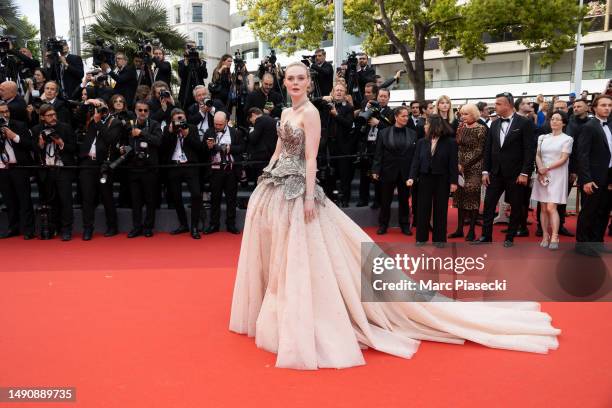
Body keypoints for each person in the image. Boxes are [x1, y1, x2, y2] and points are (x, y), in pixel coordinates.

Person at [229, 61, 560, 370]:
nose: (296, 83)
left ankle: (313, 311)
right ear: (284, 82)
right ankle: (283, 308)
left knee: (309, 251)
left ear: (309, 82)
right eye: (291, 78)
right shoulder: (285, 111)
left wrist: (308, 197)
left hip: (300, 187)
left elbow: (312, 158)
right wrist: (268, 172)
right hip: (277, 185)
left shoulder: (312, 113)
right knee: (283, 252)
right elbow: (279, 149)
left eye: (301, 78)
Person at [475, 92, 535, 248]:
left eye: (498, 104)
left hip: (516, 174)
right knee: (488, 204)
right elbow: (488, 148)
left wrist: (524, 173)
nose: (495, 106)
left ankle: (510, 237)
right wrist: (485, 171)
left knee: (515, 206)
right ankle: (485, 236)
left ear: (508, 105)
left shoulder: (524, 123)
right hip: (495, 173)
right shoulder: (494, 123)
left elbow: (530, 150)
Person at [407, 114, 458, 246]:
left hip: (442, 179)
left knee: (441, 209)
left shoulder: (450, 142)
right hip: (425, 178)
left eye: (427, 124)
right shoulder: (421, 142)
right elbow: (415, 161)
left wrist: (454, 181)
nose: (424, 126)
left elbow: (453, 163)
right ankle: (421, 238)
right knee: (422, 208)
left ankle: (439, 239)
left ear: (434, 126)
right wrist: (412, 177)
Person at [78, 99, 121, 240]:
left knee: (107, 196)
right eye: (97, 107)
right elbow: (75, 118)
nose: (99, 111)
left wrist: (98, 123)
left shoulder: (115, 122)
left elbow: (110, 139)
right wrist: (86, 104)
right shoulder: (89, 120)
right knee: (87, 198)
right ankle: (88, 229)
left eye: (101, 107)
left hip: (103, 164)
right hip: (87, 164)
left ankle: (112, 226)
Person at [32, 104, 76, 241]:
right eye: (49, 115)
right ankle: (52, 228)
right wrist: (40, 145)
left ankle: (66, 229)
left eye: (54, 114)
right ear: (42, 117)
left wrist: (61, 143)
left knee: (66, 200)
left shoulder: (65, 127)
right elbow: (33, 150)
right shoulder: (36, 129)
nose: (53, 117)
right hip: (46, 170)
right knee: (50, 201)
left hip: (62, 169)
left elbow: (74, 148)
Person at [530, 111, 573, 250]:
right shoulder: (542, 137)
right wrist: (541, 168)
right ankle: (545, 235)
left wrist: (546, 168)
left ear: (563, 122)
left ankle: (555, 235)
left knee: (551, 207)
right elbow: (537, 154)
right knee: (542, 207)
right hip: (542, 174)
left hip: (557, 174)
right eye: (552, 119)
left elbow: (563, 158)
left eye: (558, 119)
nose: (554, 121)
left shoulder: (567, 139)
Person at [575, 94, 612, 256]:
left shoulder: (610, 125)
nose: (607, 108)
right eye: (603, 105)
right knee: (589, 211)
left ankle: (597, 242)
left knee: (604, 211)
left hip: (609, 176)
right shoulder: (589, 127)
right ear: (595, 108)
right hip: (593, 177)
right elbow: (582, 155)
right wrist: (586, 179)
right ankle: (582, 244)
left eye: (610, 105)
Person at [372, 106, 417, 235]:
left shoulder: (412, 133)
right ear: (396, 117)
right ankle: (383, 225)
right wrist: (375, 170)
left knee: (404, 200)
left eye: (407, 116)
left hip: (405, 172)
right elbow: (378, 153)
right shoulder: (384, 133)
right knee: (385, 200)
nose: (406, 118)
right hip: (387, 170)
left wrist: (413, 173)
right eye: (403, 116)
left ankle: (404, 225)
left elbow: (414, 155)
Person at [162, 108, 203, 239]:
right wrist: (170, 133)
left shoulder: (192, 128)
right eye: (178, 118)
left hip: (190, 166)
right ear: (172, 119)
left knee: (196, 194)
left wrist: (187, 135)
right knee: (176, 197)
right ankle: (183, 224)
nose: (180, 120)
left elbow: (200, 148)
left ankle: (194, 227)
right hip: (174, 166)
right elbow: (163, 147)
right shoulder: (168, 130)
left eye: (182, 118)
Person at [449, 104, 487, 241]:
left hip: (475, 167)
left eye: (466, 114)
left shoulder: (481, 129)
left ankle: (471, 231)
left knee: (472, 197)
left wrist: (464, 165)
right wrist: (457, 164)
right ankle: (459, 229)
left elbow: (480, 151)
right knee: (459, 197)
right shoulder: (461, 127)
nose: (462, 117)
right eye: (462, 114)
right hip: (459, 166)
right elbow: (457, 146)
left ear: (474, 115)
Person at [125, 100, 162, 238]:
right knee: (135, 201)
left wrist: (141, 133)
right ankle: (136, 227)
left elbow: (158, 141)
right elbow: (123, 141)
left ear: (149, 112)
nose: (142, 113)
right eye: (140, 110)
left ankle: (148, 227)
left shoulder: (154, 124)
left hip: (149, 168)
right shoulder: (129, 124)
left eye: (145, 110)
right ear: (135, 111)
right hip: (133, 168)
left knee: (150, 200)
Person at [203, 111, 244, 234]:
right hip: (215, 170)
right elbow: (202, 150)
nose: (218, 127)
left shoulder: (235, 133)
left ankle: (231, 224)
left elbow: (242, 148)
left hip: (231, 170)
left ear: (226, 122)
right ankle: (213, 224)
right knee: (215, 198)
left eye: (220, 124)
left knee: (231, 199)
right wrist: (208, 147)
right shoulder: (209, 132)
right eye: (216, 124)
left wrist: (229, 148)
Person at [0, 101, 35, 239]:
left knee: (25, 199)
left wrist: (14, 136)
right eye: (1, 112)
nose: (5, 114)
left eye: (6, 111)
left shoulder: (19, 125)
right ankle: (13, 228)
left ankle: (28, 230)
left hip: (19, 167)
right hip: (2, 169)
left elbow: (30, 145)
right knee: (9, 200)